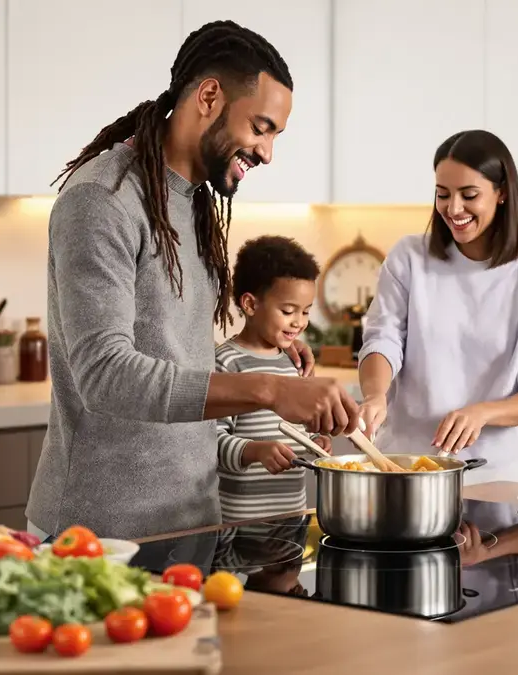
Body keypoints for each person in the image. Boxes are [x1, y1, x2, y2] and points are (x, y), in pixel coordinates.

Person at [26, 21, 359, 542]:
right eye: (261, 127)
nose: (267, 152)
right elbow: (106, 376)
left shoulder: (195, 202)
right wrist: (266, 390)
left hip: (195, 518)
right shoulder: (102, 198)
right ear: (209, 96)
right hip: (101, 534)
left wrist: (269, 354)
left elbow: (176, 350)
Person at [357, 129, 518, 485]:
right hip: (404, 471)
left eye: (469, 195)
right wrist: (374, 395)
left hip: (496, 480)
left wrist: (484, 413)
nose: (453, 209)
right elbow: (382, 340)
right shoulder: (409, 257)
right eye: (443, 194)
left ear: (501, 193)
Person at [215, 236, 332, 521]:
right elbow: (211, 442)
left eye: (305, 312)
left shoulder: (295, 362)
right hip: (241, 521)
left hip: (292, 513)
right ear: (251, 305)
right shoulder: (226, 363)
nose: (299, 322)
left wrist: (317, 440)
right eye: (288, 311)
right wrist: (254, 451)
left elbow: (300, 428)